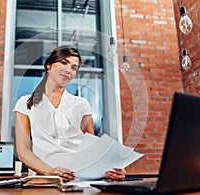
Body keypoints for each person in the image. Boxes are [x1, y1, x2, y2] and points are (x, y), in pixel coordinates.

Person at [14, 45, 126, 181]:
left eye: (74, 68)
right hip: (48, 180)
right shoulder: (24, 103)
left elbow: (92, 148)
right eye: (63, 63)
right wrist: (50, 171)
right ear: (49, 65)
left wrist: (111, 168)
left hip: (81, 178)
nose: (68, 70)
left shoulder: (81, 104)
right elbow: (23, 151)